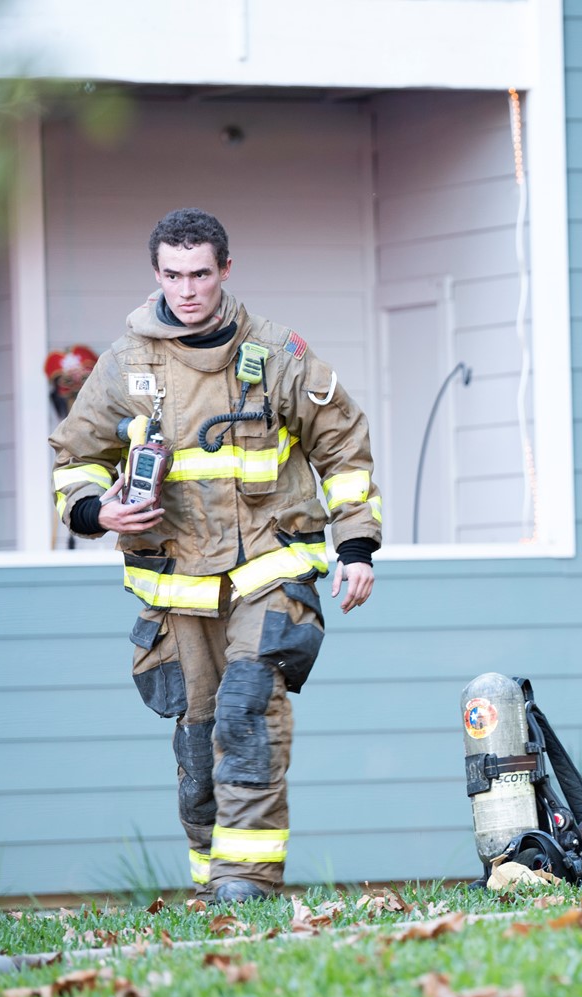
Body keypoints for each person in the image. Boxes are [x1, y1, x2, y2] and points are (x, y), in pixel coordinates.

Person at [51, 208, 382, 902]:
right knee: (198, 746)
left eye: (200, 273)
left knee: (247, 712)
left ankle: (246, 885)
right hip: (177, 587)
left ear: (225, 270)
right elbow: (74, 456)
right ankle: (213, 892)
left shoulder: (273, 354)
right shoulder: (126, 363)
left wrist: (355, 546)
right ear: (157, 275)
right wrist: (96, 510)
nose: (187, 289)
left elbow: (342, 446)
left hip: (270, 568)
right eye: (173, 275)